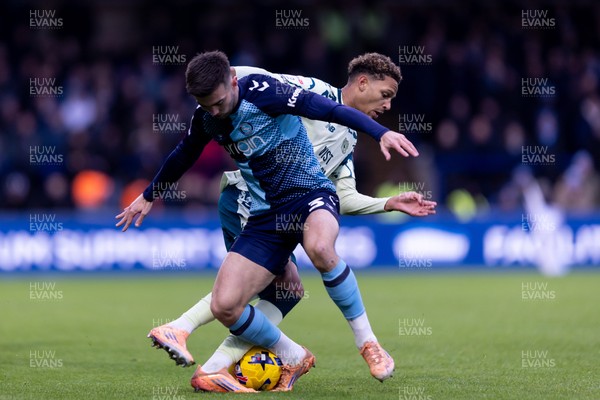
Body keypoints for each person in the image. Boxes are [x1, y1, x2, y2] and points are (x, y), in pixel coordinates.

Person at [116, 50, 420, 392]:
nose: (214, 110)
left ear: (230, 81)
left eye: (217, 101)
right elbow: (185, 152)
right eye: (206, 104)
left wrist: (381, 148)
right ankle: (278, 356)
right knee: (230, 304)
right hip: (260, 209)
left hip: (310, 194)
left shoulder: (276, 96)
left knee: (317, 251)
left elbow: (333, 124)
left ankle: (368, 343)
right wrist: (149, 195)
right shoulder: (212, 115)